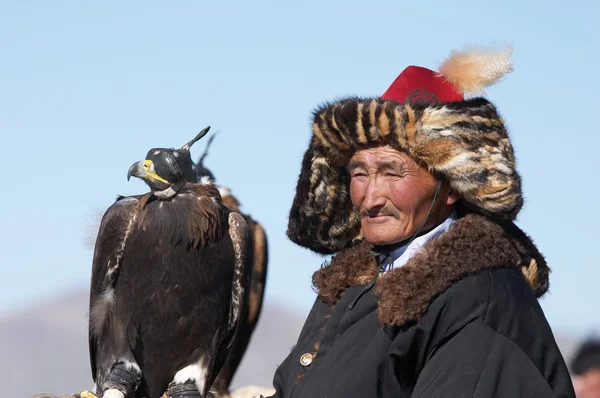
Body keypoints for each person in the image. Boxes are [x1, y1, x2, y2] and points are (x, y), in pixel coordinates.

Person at [272, 46, 575, 397]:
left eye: (392, 172)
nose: (370, 199)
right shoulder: (352, 283)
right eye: (359, 173)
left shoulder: (480, 299)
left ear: (450, 186)